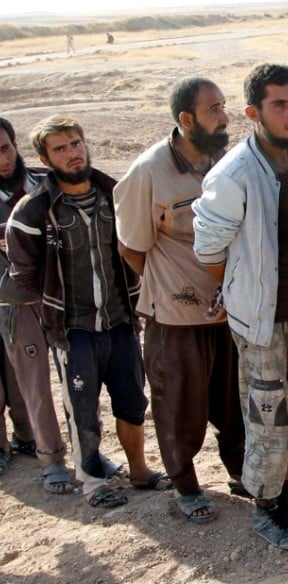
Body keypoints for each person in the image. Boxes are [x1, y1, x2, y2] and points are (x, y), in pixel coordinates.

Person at [192, 63, 288, 549]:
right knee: (269, 418)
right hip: (262, 323)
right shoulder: (233, 173)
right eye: (280, 104)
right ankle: (266, 509)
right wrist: (237, 289)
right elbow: (209, 248)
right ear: (254, 112)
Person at [6, 115, 171, 508]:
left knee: (132, 400)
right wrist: (51, 312)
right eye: (60, 148)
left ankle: (139, 471)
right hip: (73, 329)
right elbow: (24, 275)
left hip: (120, 321)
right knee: (82, 409)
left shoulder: (114, 194)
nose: (72, 153)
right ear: (45, 158)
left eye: (75, 143)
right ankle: (94, 483)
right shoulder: (34, 212)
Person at [113, 77, 246, 524]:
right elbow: (131, 247)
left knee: (237, 404)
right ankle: (186, 487)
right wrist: (175, 287)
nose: (225, 117)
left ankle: (242, 474)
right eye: (214, 110)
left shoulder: (226, 161)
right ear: (186, 119)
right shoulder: (148, 172)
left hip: (230, 313)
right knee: (179, 408)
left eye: (225, 106)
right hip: (175, 319)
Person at [0, 116, 74, 492]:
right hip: (14, 304)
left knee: (77, 379)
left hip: (61, 298)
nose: (3, 160)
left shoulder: (45, 184)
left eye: (6, 148)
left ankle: (87, 451)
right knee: (34, 386)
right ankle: (51, 459)